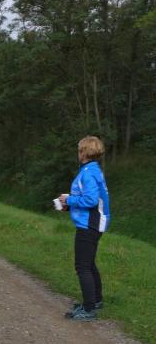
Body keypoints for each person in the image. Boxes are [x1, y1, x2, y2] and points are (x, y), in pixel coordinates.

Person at [60, 136, 111, 321]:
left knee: (82, 266)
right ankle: (95, 300)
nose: (78, 153)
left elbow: (90, 200)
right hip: (93, 222)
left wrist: (69, 199)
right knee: (88, 263)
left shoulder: (88, 173)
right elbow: (89, 198)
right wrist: (69, 206)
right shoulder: (92, 170)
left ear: (84, 152)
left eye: (79, 149)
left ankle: (89, 309)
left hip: (90, 224)